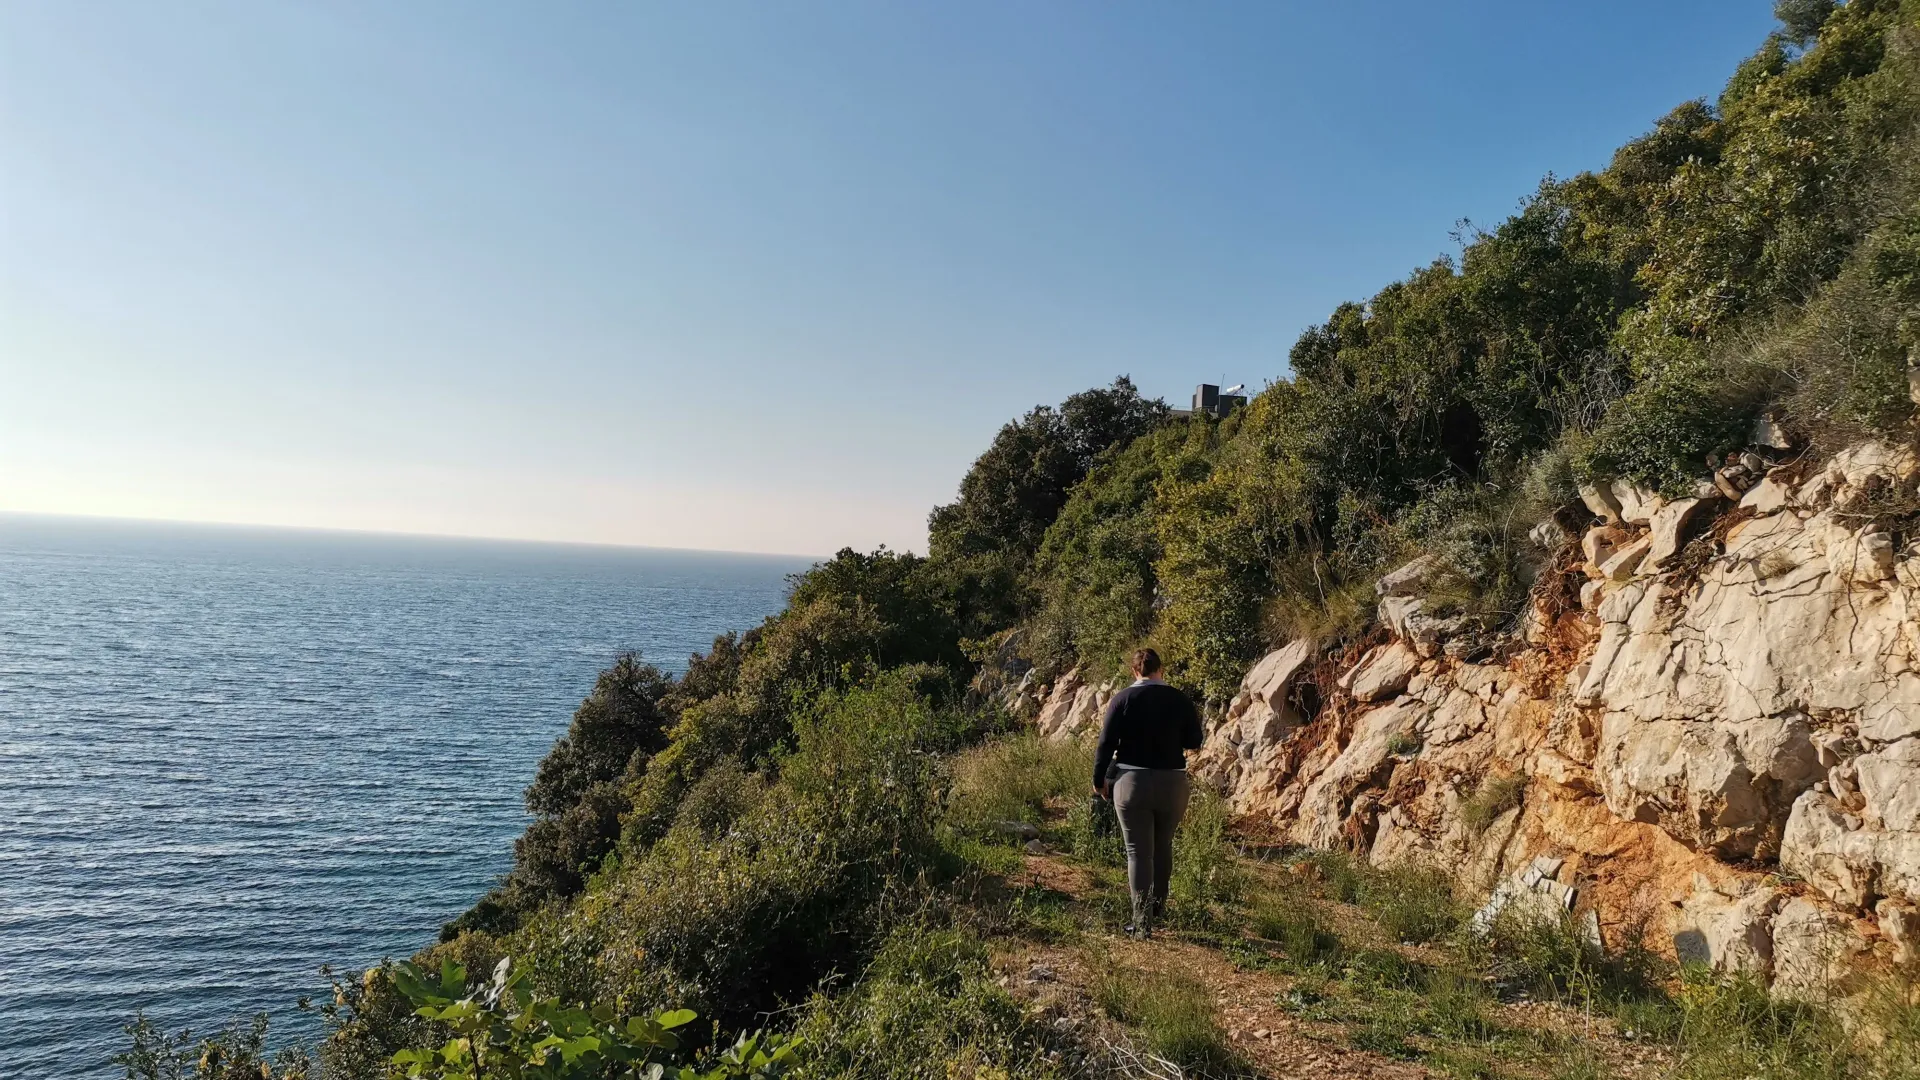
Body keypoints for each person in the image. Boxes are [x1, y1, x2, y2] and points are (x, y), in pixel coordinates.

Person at [1092, 647, 1203, 937]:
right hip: (1173, 783)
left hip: (1132, 781)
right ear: (1160, 670)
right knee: (1163, 846)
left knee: (1138, 854)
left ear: (1134, 671)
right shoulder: (1180, 700)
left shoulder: (1123, 699)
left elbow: (1105, 743)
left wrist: (1098, 779)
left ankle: (1142, 924)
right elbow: (1194, 740)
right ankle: (1158, 909)